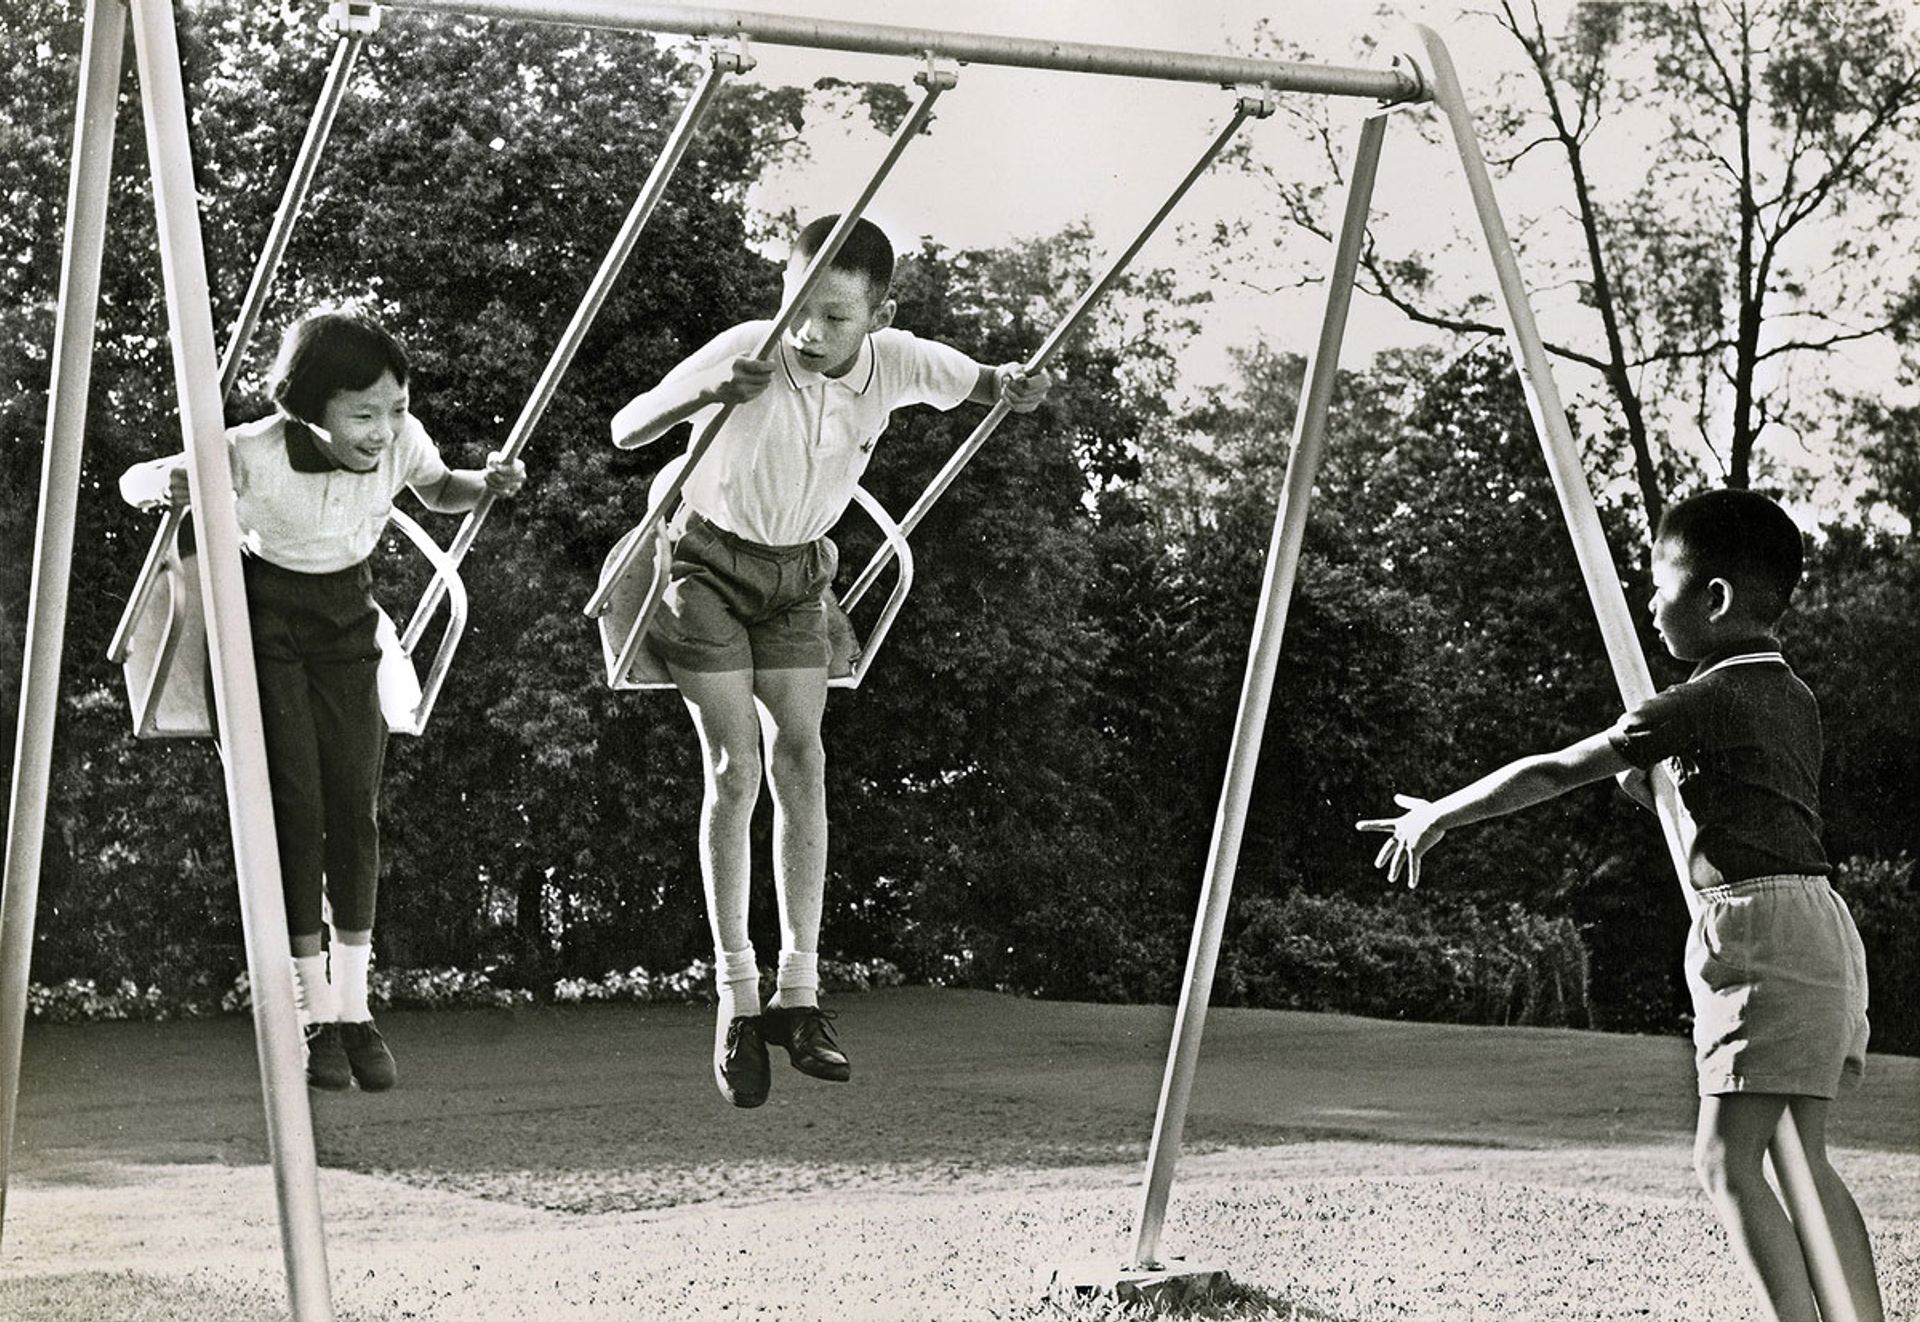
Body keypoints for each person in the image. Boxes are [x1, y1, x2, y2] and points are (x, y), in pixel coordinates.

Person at [1357, 488, 1882, 1322]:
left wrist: (1439, 815)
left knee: (1725, 1162)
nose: (1649, 604)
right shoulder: (1791, 697)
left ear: (1714, 599)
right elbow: (1749, 815)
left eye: (1660, 586)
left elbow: (1556, 770)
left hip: (1758, 931)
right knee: (1802, 1159)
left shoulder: (1700, 701)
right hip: (1817, 924)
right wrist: (1661, 791)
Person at [610, 215, 1052, 1109]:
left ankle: (799, 995)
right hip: (703, 564)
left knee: (803, 759)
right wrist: (709, 392)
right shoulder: (751, 346)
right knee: (735, 768)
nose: (809, 333)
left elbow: (985, 382)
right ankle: (737, 1002)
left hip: (798, 577)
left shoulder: (897, 362)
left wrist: (1019, 385)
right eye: (799, 307)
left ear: (878, 315)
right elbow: (626, 429)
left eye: (836, 318)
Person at [120, 309, 526, 1094]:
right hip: (263, 623)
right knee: (296, 809)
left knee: (354, 807)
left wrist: (486, 484)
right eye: (364, 414)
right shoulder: (249, 449)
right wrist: (164, 485)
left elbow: (441, 488)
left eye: (396, 408)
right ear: (308, 406)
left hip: (347, 621)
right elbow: (136, 480)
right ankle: (313, 1009)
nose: (384, 430)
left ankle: (355, 1006)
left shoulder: (400, 442)